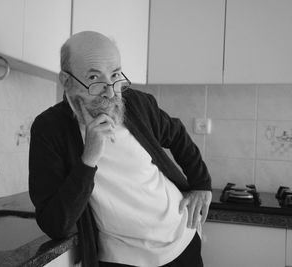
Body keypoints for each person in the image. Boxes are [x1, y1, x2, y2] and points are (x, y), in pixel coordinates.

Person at [29, 31, 212, 267]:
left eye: (115, 74)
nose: (110, 91)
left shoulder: (137, 103)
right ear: (67, 81)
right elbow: (55, 224)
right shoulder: (49, 129)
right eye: (94, 78)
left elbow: (177, 135)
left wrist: (201, 184)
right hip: (121, 259)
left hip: (181, 237)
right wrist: (89, 159)